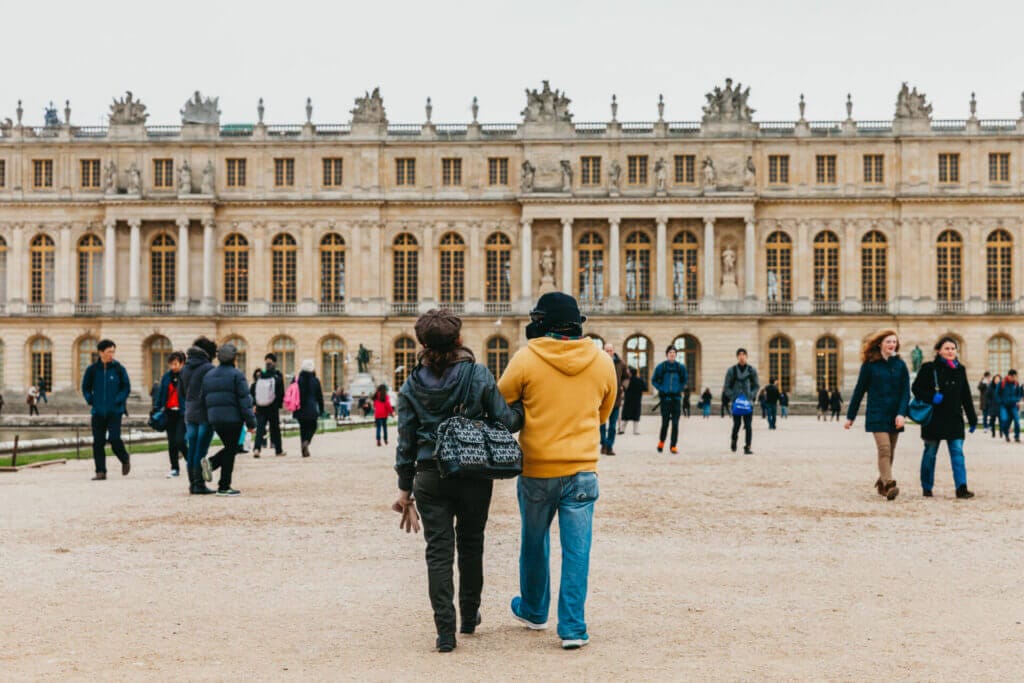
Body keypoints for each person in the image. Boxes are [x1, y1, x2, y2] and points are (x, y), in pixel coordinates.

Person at [393, 309, 522, 653]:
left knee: (438, 553)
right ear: (459, 339)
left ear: (422, 343)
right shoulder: (478, 374)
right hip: (472, 470)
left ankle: (445, 632)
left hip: (429, 474)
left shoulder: (410, 383)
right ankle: (468, 616)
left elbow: (405, 443)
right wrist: (523, 406)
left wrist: (404, 492)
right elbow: (507, 421)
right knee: (471, 544)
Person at [497, 292, 616, 651]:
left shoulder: (526, 358)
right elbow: (603, 414)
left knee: (534, 544)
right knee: (577, 551)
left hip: (537, 468)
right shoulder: (601, 361)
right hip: (582, 469)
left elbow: (500, 403)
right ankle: (573, 627)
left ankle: (534, 609)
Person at [844, 329, 910, 501]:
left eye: (894, 342)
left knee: (891, 452)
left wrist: (902, 413)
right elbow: (859, 391)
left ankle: (881, 484)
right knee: (884, 449)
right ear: (880, 344)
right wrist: (851, 416)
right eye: (888, 341)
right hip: (877, 413)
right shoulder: (870, 365)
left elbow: (905, 392)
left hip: (895, 415)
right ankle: (889, 484)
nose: (892, 345)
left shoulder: (901, 365)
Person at [911, 336, 977, 499]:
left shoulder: (960, 369)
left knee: (957, 453)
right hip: (934, 418)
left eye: (953, 348)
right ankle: (927, 487)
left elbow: (966, 395)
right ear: (939, 350)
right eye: (947, 348)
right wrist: (931, 397)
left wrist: (972, 418)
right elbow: (916, 388)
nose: (950, 351)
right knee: (930, 453)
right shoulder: (929, 368)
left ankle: (961, 488)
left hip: (954, 418)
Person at [199, 343, 256, 496]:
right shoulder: (237, 375)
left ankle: (219, 476)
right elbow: (245, 401)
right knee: (232, 450)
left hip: (215, 419)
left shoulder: (209, 375)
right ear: (234, 358)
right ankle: (222, 482)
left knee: (230, 448)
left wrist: (209, 417)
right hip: (233, 419)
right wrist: (251, 422)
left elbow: (203, 399)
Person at [81, 339, 131, 480]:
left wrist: (118, 401)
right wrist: (91, 400)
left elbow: (126, 387)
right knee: (98, 442)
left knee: (114, 439)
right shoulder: (92, 370)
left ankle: (124, 458)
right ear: (101, 352)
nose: (112, 354)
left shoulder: (119, 369)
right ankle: (100, 472)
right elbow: (85, 388)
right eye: (109, 352)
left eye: (113, 352)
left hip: (114, 411)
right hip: (97, 412)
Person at [180, 337, 218, 495]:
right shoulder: (209, 368)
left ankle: (192, 483)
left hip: (189, 413)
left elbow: (181, 392)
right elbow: (211, 392)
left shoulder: (185, 368)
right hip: (204, 413)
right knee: (201, 451)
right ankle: (198, 484)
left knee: (192, 450)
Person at [154, 351, 188, 478]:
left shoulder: (186, 377)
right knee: (171, 442)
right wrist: (156, 408)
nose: (173, 367)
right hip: (169, 412)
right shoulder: (166, 377)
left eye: (176, 364)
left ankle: (190, 460)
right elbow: (161, 394)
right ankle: (174, 468)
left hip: (182, 412)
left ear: (182, 363)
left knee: (180, 440)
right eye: (171, 364)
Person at [651, 346, 688, 454]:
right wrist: (661, 389)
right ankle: (661, 442)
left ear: (676, 355)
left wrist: (679, 389)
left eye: (674, 353)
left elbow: (685, 380)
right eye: (670, 352)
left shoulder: (680, 367)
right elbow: (654, 380)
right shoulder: (661, 367)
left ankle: (673, 445)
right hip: (665, 399)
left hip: (676, 399)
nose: (672, 354)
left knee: (675, 424)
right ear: (667, 354)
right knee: (665, 423)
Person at [723, 348, 760, 454]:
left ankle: (747, 447)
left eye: (743, 354)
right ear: (737, 357)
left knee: (748, 425)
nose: (741, 356)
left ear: (746, 356)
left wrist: (751, 396)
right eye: (739, 354)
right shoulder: (732, 370)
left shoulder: (752, 370)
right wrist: (733, 397)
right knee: (737, 424)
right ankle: (734, 440)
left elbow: (756, 385)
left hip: (748, 402)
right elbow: (726, 387)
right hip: (736, 402)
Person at [251, 353, 286, 458]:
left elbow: (255, 389)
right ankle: (278, 450)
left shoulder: (261, 374)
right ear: (274, 362)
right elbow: (281, 392)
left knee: (260, 428)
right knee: (275, 428)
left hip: (261, 405)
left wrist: (255, 403)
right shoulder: (277, 375)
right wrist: (279, 404)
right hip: (272, 406)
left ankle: (257, 448)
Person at [599, 343, 628, 455]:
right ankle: (604, 444)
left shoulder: (620, 363)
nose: (608, 353)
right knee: (601, 424)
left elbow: (627, 378)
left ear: (613, 351)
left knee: (612, 426)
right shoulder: (599, 363)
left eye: (610, 350)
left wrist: (623, 387)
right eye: (606, 350)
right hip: (602, 399)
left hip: (615, 399)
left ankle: (609, 447)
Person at [294, 359, 325, 457]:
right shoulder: (315, 381)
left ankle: (303, 449)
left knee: (303, 428)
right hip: (311, 408)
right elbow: (320, 397)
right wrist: (321, 409)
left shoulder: (297, 379)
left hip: (299, 408)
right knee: (313, 426)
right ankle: (306, 442)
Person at [995, 370, 1022, 443]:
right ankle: (1006, 434)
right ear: (1009, 376)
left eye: (1015, 377)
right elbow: (997, 394)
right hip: (1004, 406)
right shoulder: (1002, 383)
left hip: (1013, 405)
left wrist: (1017, 399)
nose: (1014, 378)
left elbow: (1019, 394)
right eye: (1013, 377)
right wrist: (1000, 402)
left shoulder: (1016, 383)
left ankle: (1017, 436)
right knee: (1004, 419)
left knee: (1017, 421)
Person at [619, 366, 647, 435]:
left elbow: (623, 388)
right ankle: (636, 431)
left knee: (625, 417)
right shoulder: (640, 380)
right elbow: (645, 389)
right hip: (637, 401)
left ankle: (622, 430)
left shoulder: (627, 380)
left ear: (630, 373)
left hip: (628, 401)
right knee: (636, 417)